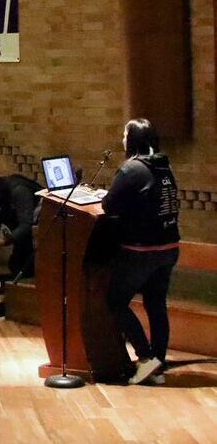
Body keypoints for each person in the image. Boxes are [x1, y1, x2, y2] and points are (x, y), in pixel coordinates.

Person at [103, 118, 182, 386]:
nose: (122, 139)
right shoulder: (164, 165)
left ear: (132, 139)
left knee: (115, 301)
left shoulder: (131, 168)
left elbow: (108, 205)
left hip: (141, 250)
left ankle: (146, 358)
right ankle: (157, 363)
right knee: (156, 305)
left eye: (125, 135)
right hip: (169, 248)